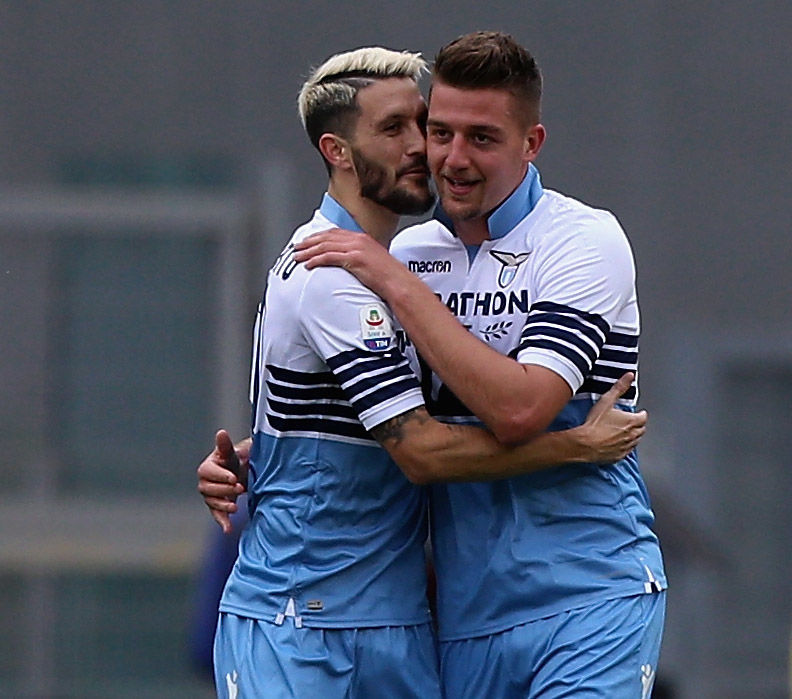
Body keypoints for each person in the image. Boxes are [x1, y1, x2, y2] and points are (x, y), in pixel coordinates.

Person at [201, 44, 647, 698]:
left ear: (533, 143)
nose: (430, 151)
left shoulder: (579, 240)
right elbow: (418, 446)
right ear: (338, 151)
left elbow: (488, 410)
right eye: (413, 130)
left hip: (575, 596)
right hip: (316, 620)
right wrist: (574, 446)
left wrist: (262, 454)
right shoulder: (361, 265)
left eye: (427, 125)